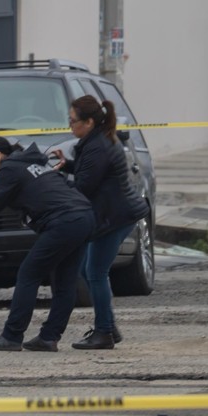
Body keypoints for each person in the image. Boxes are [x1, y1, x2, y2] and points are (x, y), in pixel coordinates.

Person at [0, 135, 95, 351]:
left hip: (64, 220)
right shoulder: (28, 162)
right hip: (84, 216)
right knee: (64, 282)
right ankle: (48, 337)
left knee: (28, 274)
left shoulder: (8, 167)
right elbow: (12, 191)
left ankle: (12, 336)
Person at [54, 95, 150, 350]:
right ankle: (108, 325)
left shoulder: (98, 146)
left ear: (88, 122)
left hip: (115, 216)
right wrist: (68, 166)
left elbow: (85, 186)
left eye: (73, 121)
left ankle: (104, 332)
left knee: (95, 272)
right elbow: (90, 173)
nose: (69, 125)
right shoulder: (96, 141)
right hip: (113, 214)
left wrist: (55, 183)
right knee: (89, 270)